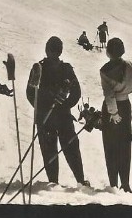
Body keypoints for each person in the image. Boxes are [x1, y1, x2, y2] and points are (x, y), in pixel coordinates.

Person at [26, 36, 89, 187]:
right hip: (53, 116)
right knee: (64, 149)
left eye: (55, 50)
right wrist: (56, 101)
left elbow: (30, 93)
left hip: (54, 117)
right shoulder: (41, 68)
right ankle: (70, 181)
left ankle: (61, 182)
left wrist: (61, 103)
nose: (54, 54)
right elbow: (31, 93)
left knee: (59, 149)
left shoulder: (53, 68)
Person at [100, 37, 132, 192]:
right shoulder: (129, 65)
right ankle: (126, 183)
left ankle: (113, 184)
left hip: (111, 110)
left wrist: (113, 113)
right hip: (126, 105)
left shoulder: (104, 70)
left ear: (108, 52)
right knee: (124, 145)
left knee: (110, 146)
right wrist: (125, 91)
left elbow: (109, 95)